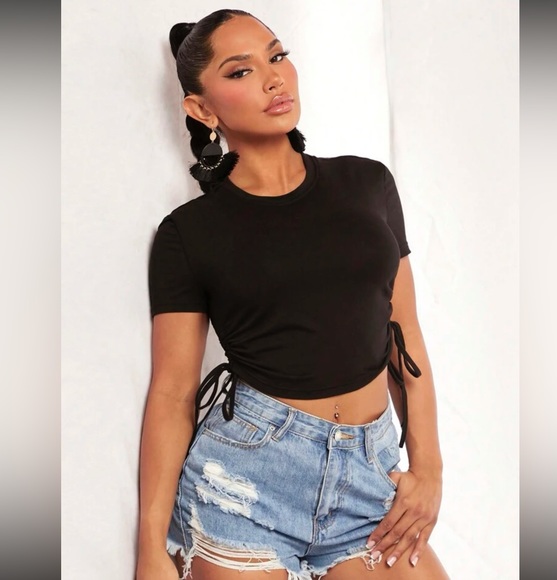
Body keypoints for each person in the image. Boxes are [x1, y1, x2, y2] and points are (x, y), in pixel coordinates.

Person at [136, 9, 448, 580]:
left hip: (369, 477)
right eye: (241, 71)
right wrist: (150, 544)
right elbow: (174, 392)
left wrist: (428, 469)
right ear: (202, 110)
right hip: (245, 485)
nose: (274, 77)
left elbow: (405, 337)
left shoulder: (368, 185)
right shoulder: (189, 234)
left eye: (277, 56)